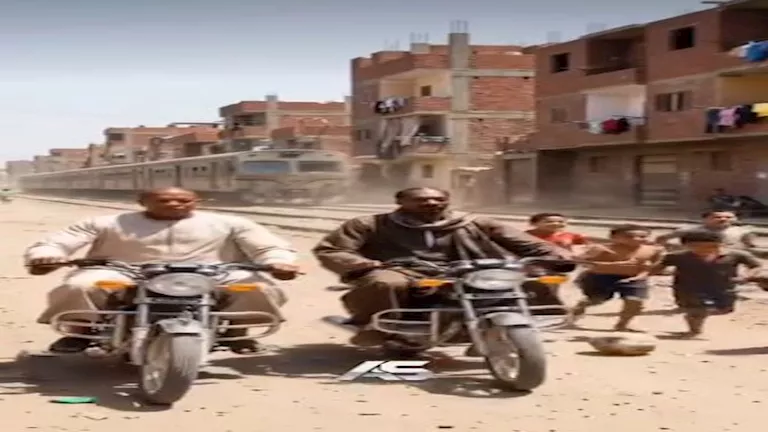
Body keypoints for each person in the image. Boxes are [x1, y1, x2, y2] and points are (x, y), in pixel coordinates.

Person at [24, 187, 301, 354]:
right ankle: (81, 332)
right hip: (124, 272)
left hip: (213, 273)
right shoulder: (106, 222)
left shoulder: (230, 222)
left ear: (196, 202)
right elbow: (58, 241)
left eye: (183, 201)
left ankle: (236, 332)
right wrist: (46, 256)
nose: (174, 205)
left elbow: (268, 246)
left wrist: (280, 261)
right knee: (81, 286)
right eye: (164, 200)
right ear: (142, 202)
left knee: (256, 286)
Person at [312, 187, 573, 348]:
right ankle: (379, 327)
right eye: (421, 200)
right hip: (402, 268)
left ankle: (534, 318)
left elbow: (525, 242)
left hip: (469, 267)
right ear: (401, 202)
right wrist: (364, 264)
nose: (431, 204)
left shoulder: (474, 222)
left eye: (438, 199)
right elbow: (332, 249)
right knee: (385, 283)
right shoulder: (369, 223)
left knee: (534, 277)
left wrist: (556, 256)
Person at [644, 230, 763, 338]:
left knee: (726, 309)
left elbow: (756, 266)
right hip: (688, 288)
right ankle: (694, 330)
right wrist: (650, 267)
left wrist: (747, 276)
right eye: (698, 247)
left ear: (721, 244)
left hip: (724, 288)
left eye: (712, 246)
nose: (705, 250)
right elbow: (656, 269)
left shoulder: (737, 255)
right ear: (686, 246)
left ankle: (697, 316)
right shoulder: (677, 256)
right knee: (697, 309)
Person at [567, 224, 664, 332]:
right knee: (597, 299)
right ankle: (581, 307)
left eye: (642, 237)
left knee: (635, 301)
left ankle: (622, 324)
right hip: (601, 277)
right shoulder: (602, 248)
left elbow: (656, 265)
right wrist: (602, 262)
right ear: (614, 237)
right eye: (629, 236)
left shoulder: (653, 250)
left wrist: (646, 272)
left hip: (634, 278)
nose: (636, 239)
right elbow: (578, 260)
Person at [525, 213, 589, 298]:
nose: (556, 224)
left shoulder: (572, 236)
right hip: (534, 265)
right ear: (534, 223)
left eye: (561, 222)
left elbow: (584, 248)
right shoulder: (524, 235)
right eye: (549, 221)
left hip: (560, 265)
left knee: (552, 289)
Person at [655, 210, 757, 251]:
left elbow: (749, 247)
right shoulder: (690, 230)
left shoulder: (742, 232)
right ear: (706, 219)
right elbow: (661, 239)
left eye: (728, 217)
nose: (723, 219)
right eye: (717, 217)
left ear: (735, 219)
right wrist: (675, 248)